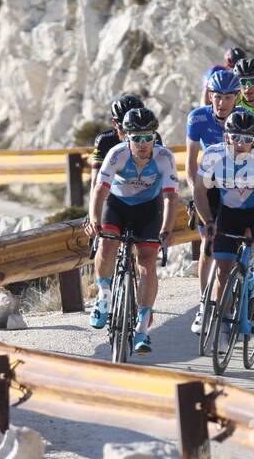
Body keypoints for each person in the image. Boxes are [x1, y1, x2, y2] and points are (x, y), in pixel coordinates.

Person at [88, 107, 179, 355]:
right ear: (126, 137)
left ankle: (142, 327)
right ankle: (104, 295)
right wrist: (94, 219)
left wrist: (167, 229)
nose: (142, 143)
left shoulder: (164, 157)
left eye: (148, 137)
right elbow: (99, 190)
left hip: (148, 210)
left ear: (155, 137)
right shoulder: (116, 154)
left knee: (147, 262)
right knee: (107, 244)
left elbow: (171, 197)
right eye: (136, 137)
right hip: (116, 206)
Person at [192, 108, 254, 332]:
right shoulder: (213, 154)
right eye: (235, 138)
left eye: (247, 139)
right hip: (228, 212)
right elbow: (199, 192)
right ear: (225, 137)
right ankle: (223, 320)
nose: (240, 144)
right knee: (222, 269)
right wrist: (209, 221)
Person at [187, 69, 242, 333]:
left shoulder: (245, 120)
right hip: (207, 183)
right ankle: (203, 306)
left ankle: (229, 304)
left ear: (237, 98)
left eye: (228, 97)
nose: (221, 103)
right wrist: (195, 192)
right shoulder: (198, 118)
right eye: (217, 96)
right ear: (210, 95)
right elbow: (189, 165)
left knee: (230, 251)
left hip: (235, 186)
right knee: (207, 244)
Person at [89, 94, 162, 201]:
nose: (129, 134)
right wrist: (92, 212)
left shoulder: (151, 138)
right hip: (115, 196)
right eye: (124, 128)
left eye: (136, 130)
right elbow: (95, 181)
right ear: (114, 123)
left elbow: (161, 175)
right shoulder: (104, 141)